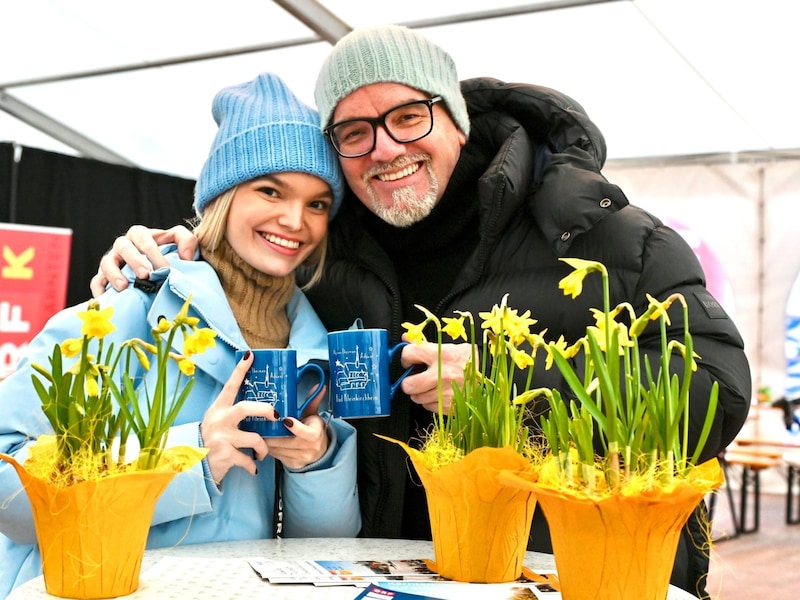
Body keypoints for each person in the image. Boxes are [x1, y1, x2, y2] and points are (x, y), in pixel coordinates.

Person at [90, 25, 751, 597]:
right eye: (354, 132)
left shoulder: (594, 229)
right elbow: (250, 234)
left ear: (455, 118)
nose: (384, 148)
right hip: (387, 578)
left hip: (573, 580)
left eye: (408, 117)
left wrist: (514, 387)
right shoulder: (330, 252)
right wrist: (169, 251)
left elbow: (717, 392)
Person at [0, 72, 361, 596]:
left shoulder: (313, 349)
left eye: (318, 203)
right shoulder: (131, 304)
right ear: (223, 196)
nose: (294, 219)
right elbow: (8, 480)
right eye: (270, 190)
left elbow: (319, 552)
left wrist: (316, 463)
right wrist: (190, 457)